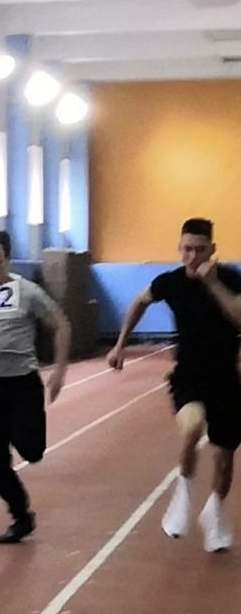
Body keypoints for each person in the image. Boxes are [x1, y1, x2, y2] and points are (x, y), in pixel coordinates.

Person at [107, 218, 241, 553]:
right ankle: (182, 496)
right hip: (188, 377)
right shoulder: (170, 282)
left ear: (212, 249)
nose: (192, 256)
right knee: (192, 427)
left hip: (226, 380)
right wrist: (120, 343)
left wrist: (212, 283)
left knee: (224, 460)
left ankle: (214, 513)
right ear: (179, 249)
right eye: (187, 249)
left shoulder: (230, 279)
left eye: (200, 249)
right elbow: (140, 301)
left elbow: (238, 316)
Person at [0, 229, 70, 544]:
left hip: (22, 385)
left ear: (8, 260)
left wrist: (59, 371)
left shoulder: (28, 292)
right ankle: (21, 516)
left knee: (31, 450)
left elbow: (61, 325)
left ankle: (29, 441)